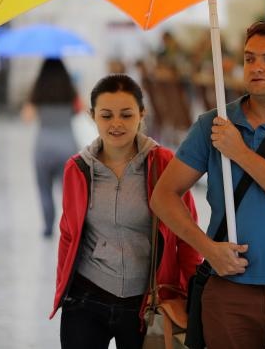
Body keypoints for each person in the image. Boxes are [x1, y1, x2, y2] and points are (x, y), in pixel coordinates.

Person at [151, 21, 265, 349]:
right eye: (249, 58)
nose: (256, 67)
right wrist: (208, 249)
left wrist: (239, 152)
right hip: (229, 289)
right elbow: (163, 196)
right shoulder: (213, 124)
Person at [51, 73, 201, 349]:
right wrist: (63, 291)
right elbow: (68, 234)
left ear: (142, 114)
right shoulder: (77, 168)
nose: (116, 123)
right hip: (86, 298)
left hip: (147, 304)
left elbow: (187, 235)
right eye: (106, 115)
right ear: (92, 116)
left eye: (126, 114)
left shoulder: (164, 164)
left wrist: (192, 297)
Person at [21, 59, 80, 238]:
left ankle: (48, 227)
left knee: (44, 189)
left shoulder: (38, 91)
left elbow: (26, 117)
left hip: (44, 147)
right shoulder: (70, 90)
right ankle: (70, 227)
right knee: (68, 192)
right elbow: (82, 109)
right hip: (67, 146)